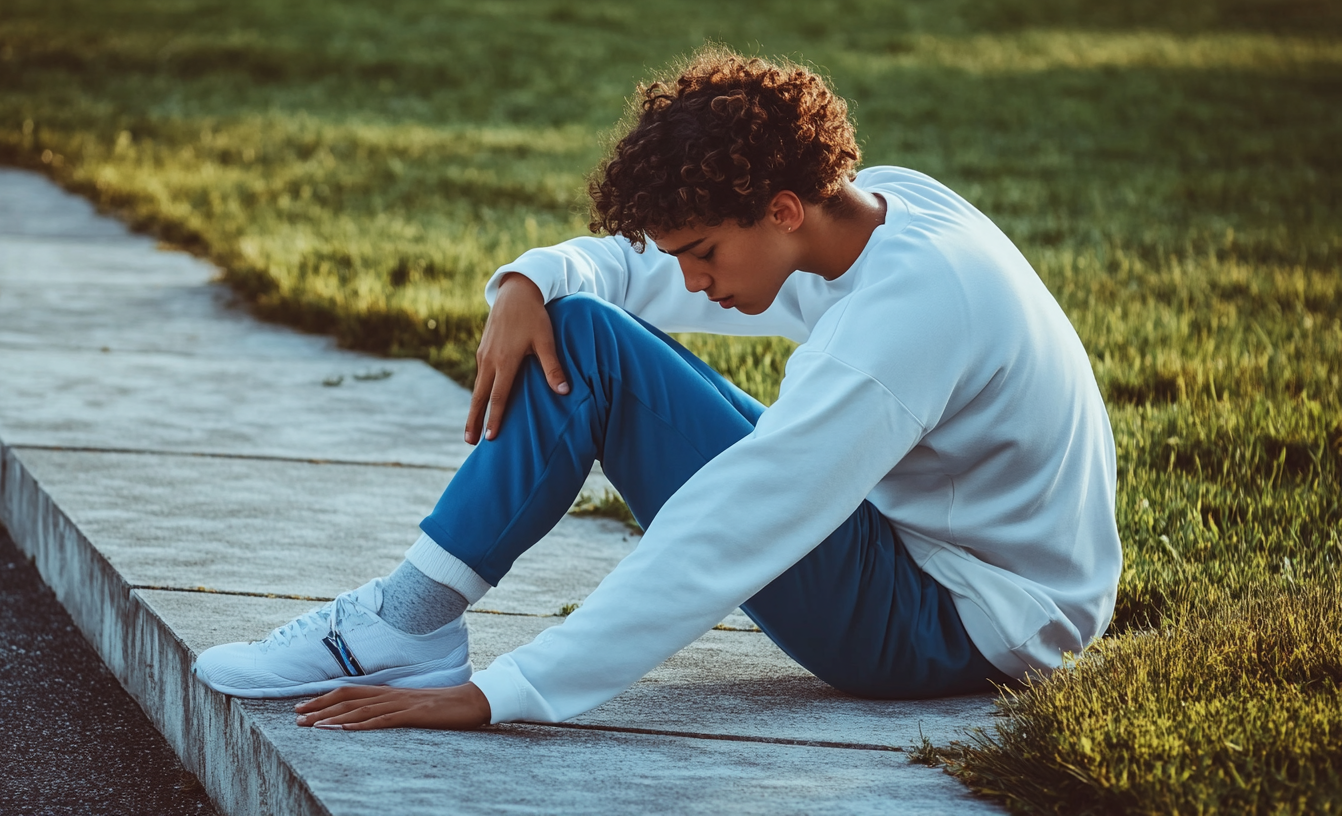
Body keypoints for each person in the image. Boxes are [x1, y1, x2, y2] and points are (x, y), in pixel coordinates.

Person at [192, 47, 1122, 732]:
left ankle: (404, 627)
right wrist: (531, 279)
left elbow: (726, 531)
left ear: (783, 211)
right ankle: (410, 620)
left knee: (596, 351)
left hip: (958, 629)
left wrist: (502, 695)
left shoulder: (909, 315)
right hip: (949, 573)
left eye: (704, 254)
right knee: (586, 325)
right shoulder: (879, 206)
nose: (690, 282)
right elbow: (634, 275)